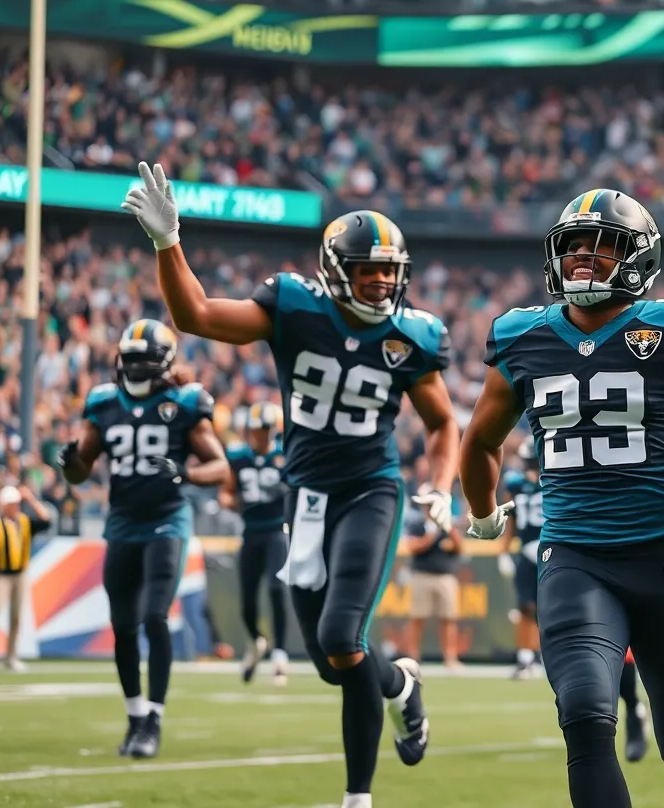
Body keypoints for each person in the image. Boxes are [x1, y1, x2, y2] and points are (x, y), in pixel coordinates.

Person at [124, 162, 458, 808]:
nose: (383, 282)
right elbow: (193, 315)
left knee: (343, 639)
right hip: (304, 495)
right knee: (336, 664)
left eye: (390, 272)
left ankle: (357, 798)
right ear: (337, 272)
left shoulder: (410, 336)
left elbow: (444, 424)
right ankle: (400, 685)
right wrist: (169, 243)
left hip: (370, 490)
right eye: (369, 272)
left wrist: (441, 486)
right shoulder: (296, 310)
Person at [458, 188, 664, 808]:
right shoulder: (521, 337)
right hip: (574, 556)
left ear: (639, 258)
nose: (585, 261)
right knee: (587, 715)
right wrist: (482, 514)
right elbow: (480, 441)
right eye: (575, 249)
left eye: (603, 249)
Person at [58, 318, 230, 758]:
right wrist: (70, 462)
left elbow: (220, 468)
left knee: (155, 615)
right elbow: (81, 471)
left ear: (165, 364)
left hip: (167, 519)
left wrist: (186, 472)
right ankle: (134, 715)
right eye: (130, 361)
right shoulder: (103, 403)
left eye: (144, 361)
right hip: (122, 521)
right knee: (122, 626)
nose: (135, 369)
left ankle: (153, 717)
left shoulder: (183, 404)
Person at [220, 401, 290, 686]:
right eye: (255, 429)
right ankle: (257, 641)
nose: (258, 435)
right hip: (251, 532)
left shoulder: (285, 455)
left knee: (276, 588)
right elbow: (225, 494)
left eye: (263, 429)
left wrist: (286, 491)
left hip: (276, 531)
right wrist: (239, 502)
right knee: (247, 601)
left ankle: (280, 656)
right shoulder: (238, 456)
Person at [0, 484, 53, 672]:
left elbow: (47, 521)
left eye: (17, 503)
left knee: (16, 617)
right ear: (4, 505)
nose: (15, 507)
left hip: (20, 575)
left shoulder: (25, 522)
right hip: (0, 576)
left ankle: (11, 657)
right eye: (11, 503)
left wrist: (31, 499)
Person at [403, 493, 463, 669]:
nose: (428, 509)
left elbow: (459, 546)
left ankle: (450, 658)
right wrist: (431, 533)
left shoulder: (447, 524)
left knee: (448, 619)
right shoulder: (417, 524)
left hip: (445, 576)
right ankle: (412, 657)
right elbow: (413, 547)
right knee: (417, 618)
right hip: (422, 575)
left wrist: (448, 527)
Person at [500, 441, 544, 679]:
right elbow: (510, 520)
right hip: (527, 550)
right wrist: (504, 552)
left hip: (551, 548)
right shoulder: (516, 485)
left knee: (549, 607)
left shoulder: (553, 480)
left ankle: (543, 655)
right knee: (525, 607)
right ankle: (525, 657)